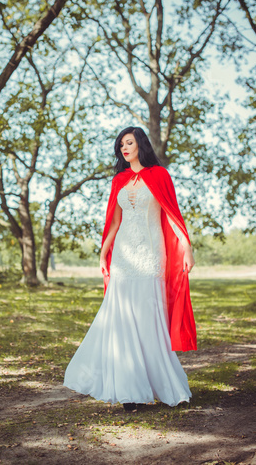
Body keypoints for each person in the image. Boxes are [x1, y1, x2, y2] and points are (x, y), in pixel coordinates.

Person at [63, 127, 196, 411]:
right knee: (122, 318)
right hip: (122, 256)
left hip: (151, 255)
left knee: (149, 319)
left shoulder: (159, 175)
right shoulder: (119, 180)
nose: (124, 147)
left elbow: (173, 215)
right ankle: (130, 390)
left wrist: (187, 246)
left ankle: (161, 385)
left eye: (129, 142)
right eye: (121, 144)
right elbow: (113, 223)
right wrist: (103, 255)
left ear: (141, 145)